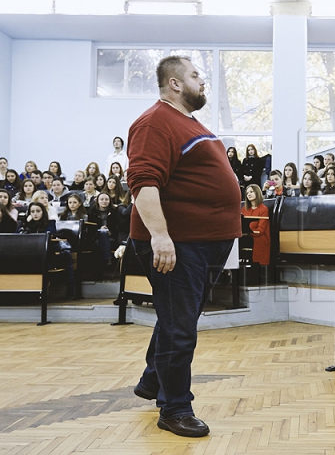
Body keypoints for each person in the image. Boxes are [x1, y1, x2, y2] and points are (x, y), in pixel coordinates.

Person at [126, 55, 242, 438]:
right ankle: (174, 408)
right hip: (179, 243)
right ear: (174, 83)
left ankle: (152, 379)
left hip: (202, 242)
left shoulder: (188, 122)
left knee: (179, 317)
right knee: (180, 327)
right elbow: (144, 184)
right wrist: (160, 236)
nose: (202, 81)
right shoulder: (154, 121)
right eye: (195, 75)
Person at [241, 184, 270, 267]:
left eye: (251, 192)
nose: (248, 194)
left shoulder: (264, 209)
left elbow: (260, 230)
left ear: (257, 192)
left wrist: (248, 234)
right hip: (246, 237)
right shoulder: (244, 209)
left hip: (259, 238)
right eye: (247, 193)